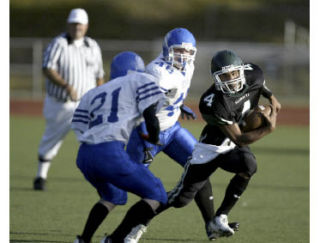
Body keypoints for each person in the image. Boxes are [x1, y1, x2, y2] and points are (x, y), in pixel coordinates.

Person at [111, 49, 281, 242]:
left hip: (231, 147)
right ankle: (137, 225)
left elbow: (259, 84)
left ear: (241, 70)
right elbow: (240, 139)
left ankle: (220, 217)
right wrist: (268, 128)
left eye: (234, 73)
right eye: (225, 76)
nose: (231, 79)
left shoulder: (254, 73)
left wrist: (271, 97)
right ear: (216, 79)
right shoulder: (213, 102)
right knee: (180, 198)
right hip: (210, 149)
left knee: (249, 166)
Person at [125, 27, 222, 241]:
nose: (184, 56)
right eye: (179, 51)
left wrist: (177, 105)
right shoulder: (157, 71)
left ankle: (211, 224)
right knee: (138, 187)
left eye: (188, 52)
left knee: (201, 165)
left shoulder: (189, 66)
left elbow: (172, 92)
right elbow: (146, 107)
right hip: (147, 133)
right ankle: (127, 231)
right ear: (167, 49)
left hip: (172, 129)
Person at [72, 51, 168, 243]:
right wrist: (154, 137)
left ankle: (83, 239)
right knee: (157, 194)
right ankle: (115, 240)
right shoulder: (140, 79)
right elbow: (151, 117)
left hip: (84, 155)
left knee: (112, 195)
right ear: (137, 69)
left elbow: (79, 127)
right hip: (109, 152)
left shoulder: (93, 92)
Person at [33, 8, 104, 190]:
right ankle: (41, 176)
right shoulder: (59, 43)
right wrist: (66, 85)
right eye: (73, 24)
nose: (76, 27)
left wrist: (100, 97)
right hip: (60, 103)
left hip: (85, 105)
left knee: (93, 140)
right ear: (68, 24)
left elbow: (99, 75)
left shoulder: (92, 46)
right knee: (51, 139)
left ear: (86, 26)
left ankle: (100, 178)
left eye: (79, 24)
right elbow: (47, 68)